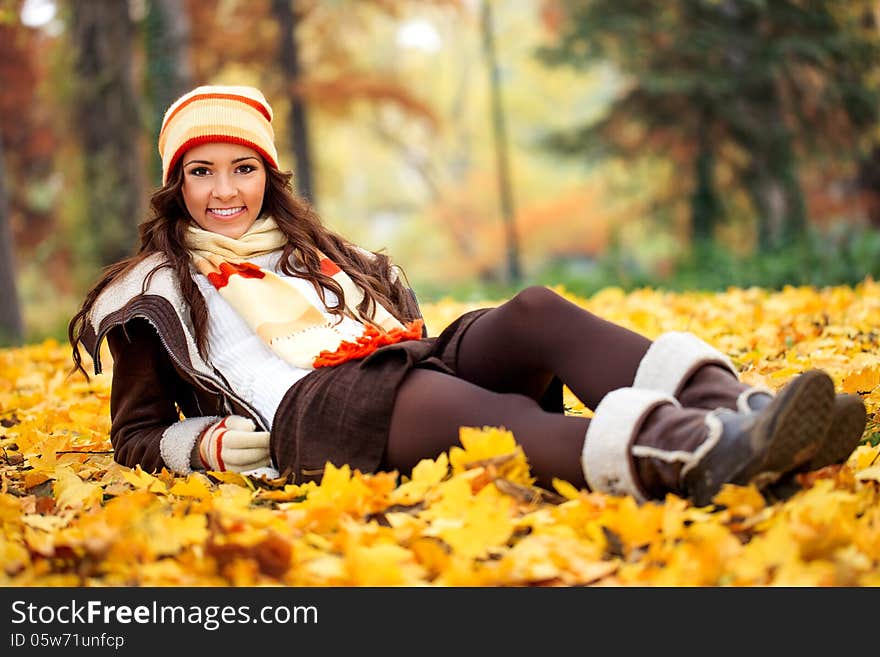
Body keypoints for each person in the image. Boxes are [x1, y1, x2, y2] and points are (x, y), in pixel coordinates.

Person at [68, 85, 867, 507]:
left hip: (397, 365)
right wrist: (195, 444)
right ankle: (691, 450)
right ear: (176, 184)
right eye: (201, 172)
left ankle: (745, 412)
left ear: (267, 175)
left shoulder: (321, 254)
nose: (224, 191)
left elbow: (401, 338)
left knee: (536, 311)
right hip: (315, 416)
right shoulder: (153, 291)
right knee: (505, 420)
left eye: (241, 168)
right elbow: (136, 431)